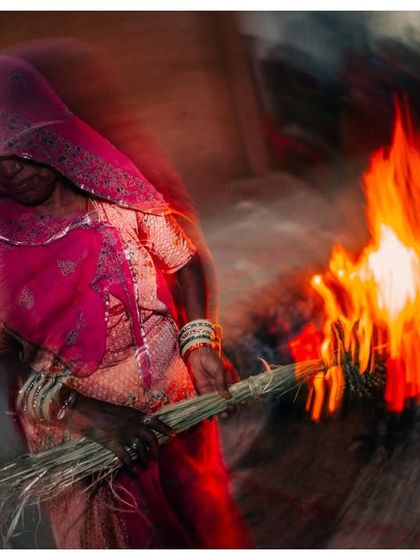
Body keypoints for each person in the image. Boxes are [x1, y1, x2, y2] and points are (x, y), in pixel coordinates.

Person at [0, 54, 251, 548]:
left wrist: (198, 341)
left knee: (199, 525)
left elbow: (184, 261)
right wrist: (81, 411)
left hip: (174, 402)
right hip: (78, 432)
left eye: (21, 148)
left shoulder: (114, 195)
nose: (10, 170)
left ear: (51, 136)